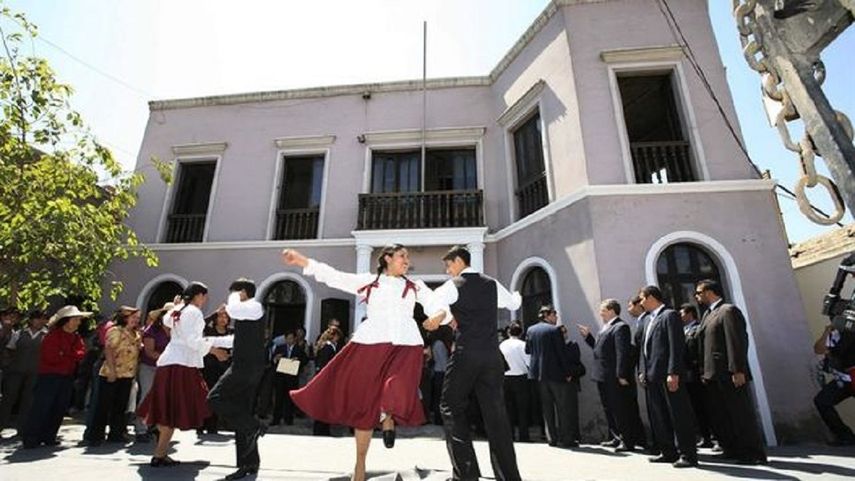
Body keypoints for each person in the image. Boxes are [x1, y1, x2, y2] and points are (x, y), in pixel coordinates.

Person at [282, 245, 445, 481]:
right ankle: (360, 465)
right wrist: (304, 262)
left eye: (408, 257)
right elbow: (336, 277)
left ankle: (387, 416)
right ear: (387, 258)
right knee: (364, 407)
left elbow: (434, 302)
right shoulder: (369, 282)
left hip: (406, 345)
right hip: (371, 344)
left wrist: (438, 316)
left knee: (397, 386)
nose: (407, 260)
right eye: (402, 256)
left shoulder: (414, 286)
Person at [424, 245, 523, 481]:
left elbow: (433, 304)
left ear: (459, 261)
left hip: (466, 354)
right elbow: (514, 304)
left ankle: (466, 475)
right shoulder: (492, 283)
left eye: (449, 265)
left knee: (450, 407)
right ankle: (508, 476)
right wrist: (517, 295)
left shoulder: (454, 285)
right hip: (491, 356)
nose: (448, 271)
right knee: (496, 415)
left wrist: (440, 316)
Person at [137, 282, 232, 467]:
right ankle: (159, 453)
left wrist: (179, 305)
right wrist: (215, 350)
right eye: (204, 296)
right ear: (198, 296)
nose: (205, 300)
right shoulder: (193, 312)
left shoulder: (178, 311)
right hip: (181, 365)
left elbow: (172, 323)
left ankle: (160, 453)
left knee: (167, 409)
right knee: (174, 408)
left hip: (169, 362)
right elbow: (192, 340)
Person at [695, 279, 767, 464]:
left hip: (729, 373)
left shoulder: (728, 311)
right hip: (713, 375)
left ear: (710, 292)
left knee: (740, 414)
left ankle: (753, 453)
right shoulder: (708, 314)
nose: (697, 296)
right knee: (722, 415)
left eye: (699, 292)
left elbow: (736, 341)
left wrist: (738, 369)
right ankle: (733, 449)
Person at [207, 278, 268, 481]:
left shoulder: (253, 306)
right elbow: (236, 340)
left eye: (234, 292)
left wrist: (233, 295)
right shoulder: (247, 313)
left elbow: (232, 309)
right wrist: (209, 342)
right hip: (247, 366)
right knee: (242, 414)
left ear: (242, 292)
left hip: (245, 367)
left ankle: (254, 425)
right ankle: (248, 464)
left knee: (214, 398)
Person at [638, 285, 698, 468]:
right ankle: (668, 451)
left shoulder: (669, 315)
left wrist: (673, 372)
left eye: (642, 298)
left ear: (651, 298)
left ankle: (687, 454)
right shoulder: (648, 319)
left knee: (678, 415)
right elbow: (644, 348)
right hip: (652, 375)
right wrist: (642, 370)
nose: (640, 303)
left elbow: (675, 346)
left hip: (668, 375)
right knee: (659, 416)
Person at [578, 299, 646, 452]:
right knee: (609, 408)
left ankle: (627, 441)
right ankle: (616, 437)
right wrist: (588, 336)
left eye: (602, 309)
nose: (600, 312)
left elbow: (622, 352)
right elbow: (600, 349)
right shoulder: (606, 327)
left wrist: (621, 374)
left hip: (614, 377)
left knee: (620, 409)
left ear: (611, 310)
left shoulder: (620, 327)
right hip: (602, 376)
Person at [21, 306, 88, 449]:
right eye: (75, 319)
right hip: (49, 376)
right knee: (41, 407)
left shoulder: (76, 338)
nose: (78, 322)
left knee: (59, 407)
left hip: (66, 376)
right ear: (66, 321)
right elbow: (52, 357)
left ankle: (49, 436)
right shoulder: (52, 336)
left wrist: (65, 354)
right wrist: (69, 355)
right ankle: (31, 437)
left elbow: (80, 354)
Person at [86, 306, 141, 445]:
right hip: (112, 373)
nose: (136, 320)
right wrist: (111, 370)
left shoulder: (135, 333)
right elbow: (109, 349)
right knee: (103, 405)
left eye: (137, 318)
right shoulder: (116, 331)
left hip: (127, 373)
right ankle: (95, 435)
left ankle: (116, 433)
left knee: (120, 405)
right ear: (125, 318)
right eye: (133, 317)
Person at [525, 305, 577, 449]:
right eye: (555, 315)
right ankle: (566, 439)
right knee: (562, 407)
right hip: (556, 374)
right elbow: (561, 354)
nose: (556, 318)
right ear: (548, 315)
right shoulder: (555, 330)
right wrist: (568, 373)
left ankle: (551, 438)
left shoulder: (531, 330)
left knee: (546, 408)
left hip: (539, 376)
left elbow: (528, 350)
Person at [0, 309, 48, 437]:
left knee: (28, 400)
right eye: (38, 318)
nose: (40, 322)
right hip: (16, 370)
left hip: (35, 372)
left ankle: (22, 428)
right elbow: (10, 349)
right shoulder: (20, 333)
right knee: (8, 398)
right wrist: (8, 364)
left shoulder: (46, 335)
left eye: (43, 319)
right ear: (31, 320)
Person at [813, 317, 855, 446]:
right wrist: (827, 332)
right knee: (822, 401)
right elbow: (818, 349)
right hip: (844, 378)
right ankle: (845, 436)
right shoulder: (837, 332)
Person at [133, 303, 172, 442]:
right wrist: (167, 358)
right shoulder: (152, 330)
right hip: (149, 367)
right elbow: (149, 352)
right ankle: (140, 428)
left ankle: (155, 426)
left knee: (162, 398)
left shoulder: (175, 331)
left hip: (165, 369)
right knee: (146, 395)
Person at [680, 303, 713, 448]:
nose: (680, 316)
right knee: (695, 407)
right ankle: (704, 436)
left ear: (689, 314)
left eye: (682, 313)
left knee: (705, 406)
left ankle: (713, 436)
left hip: (697, 373)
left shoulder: (697, 329)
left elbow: (700, 350)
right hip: (687, 375)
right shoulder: (683, 330)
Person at [200, 305, 233, 435]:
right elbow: (200, 326)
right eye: (221, 316)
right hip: (208, 367)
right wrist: (214, 313)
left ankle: (214, 424)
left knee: (218, 396)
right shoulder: (209, 331)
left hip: (224, 368)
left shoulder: (231, 332)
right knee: (205, 395)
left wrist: (229, 356)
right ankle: (202, 423)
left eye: (226, 316)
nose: (223, 319)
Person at [499, 322, 530, 442]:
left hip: (505, 378)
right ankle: (524, 435)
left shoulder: (502, 345)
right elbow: (528, 362)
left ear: (508, 332)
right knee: (522, 408)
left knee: (507, 408)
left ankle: (509, 435)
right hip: (521, 377)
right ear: (521, 333)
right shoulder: (522, 345)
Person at [271, 331, 307, 426]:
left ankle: (288, 419)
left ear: (294, 339)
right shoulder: (280, 348)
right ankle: (276, 419)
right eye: (288, 338)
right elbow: (273, 360)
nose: (289, 340)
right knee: (278, 399)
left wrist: (297, 360)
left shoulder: (298, 349)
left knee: (289, 399)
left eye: (291, 338)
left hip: (292, 377)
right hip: (281, 377)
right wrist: (276, 358)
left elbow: (305, 360)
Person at [312, 325, 342, 436]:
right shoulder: (328, 347)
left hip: (323, 379)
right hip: (325, 380)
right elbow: (325, 365)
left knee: (323, 405)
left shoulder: (324, 346)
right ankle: (321, 429)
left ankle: (322, 428)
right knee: (323, 405)